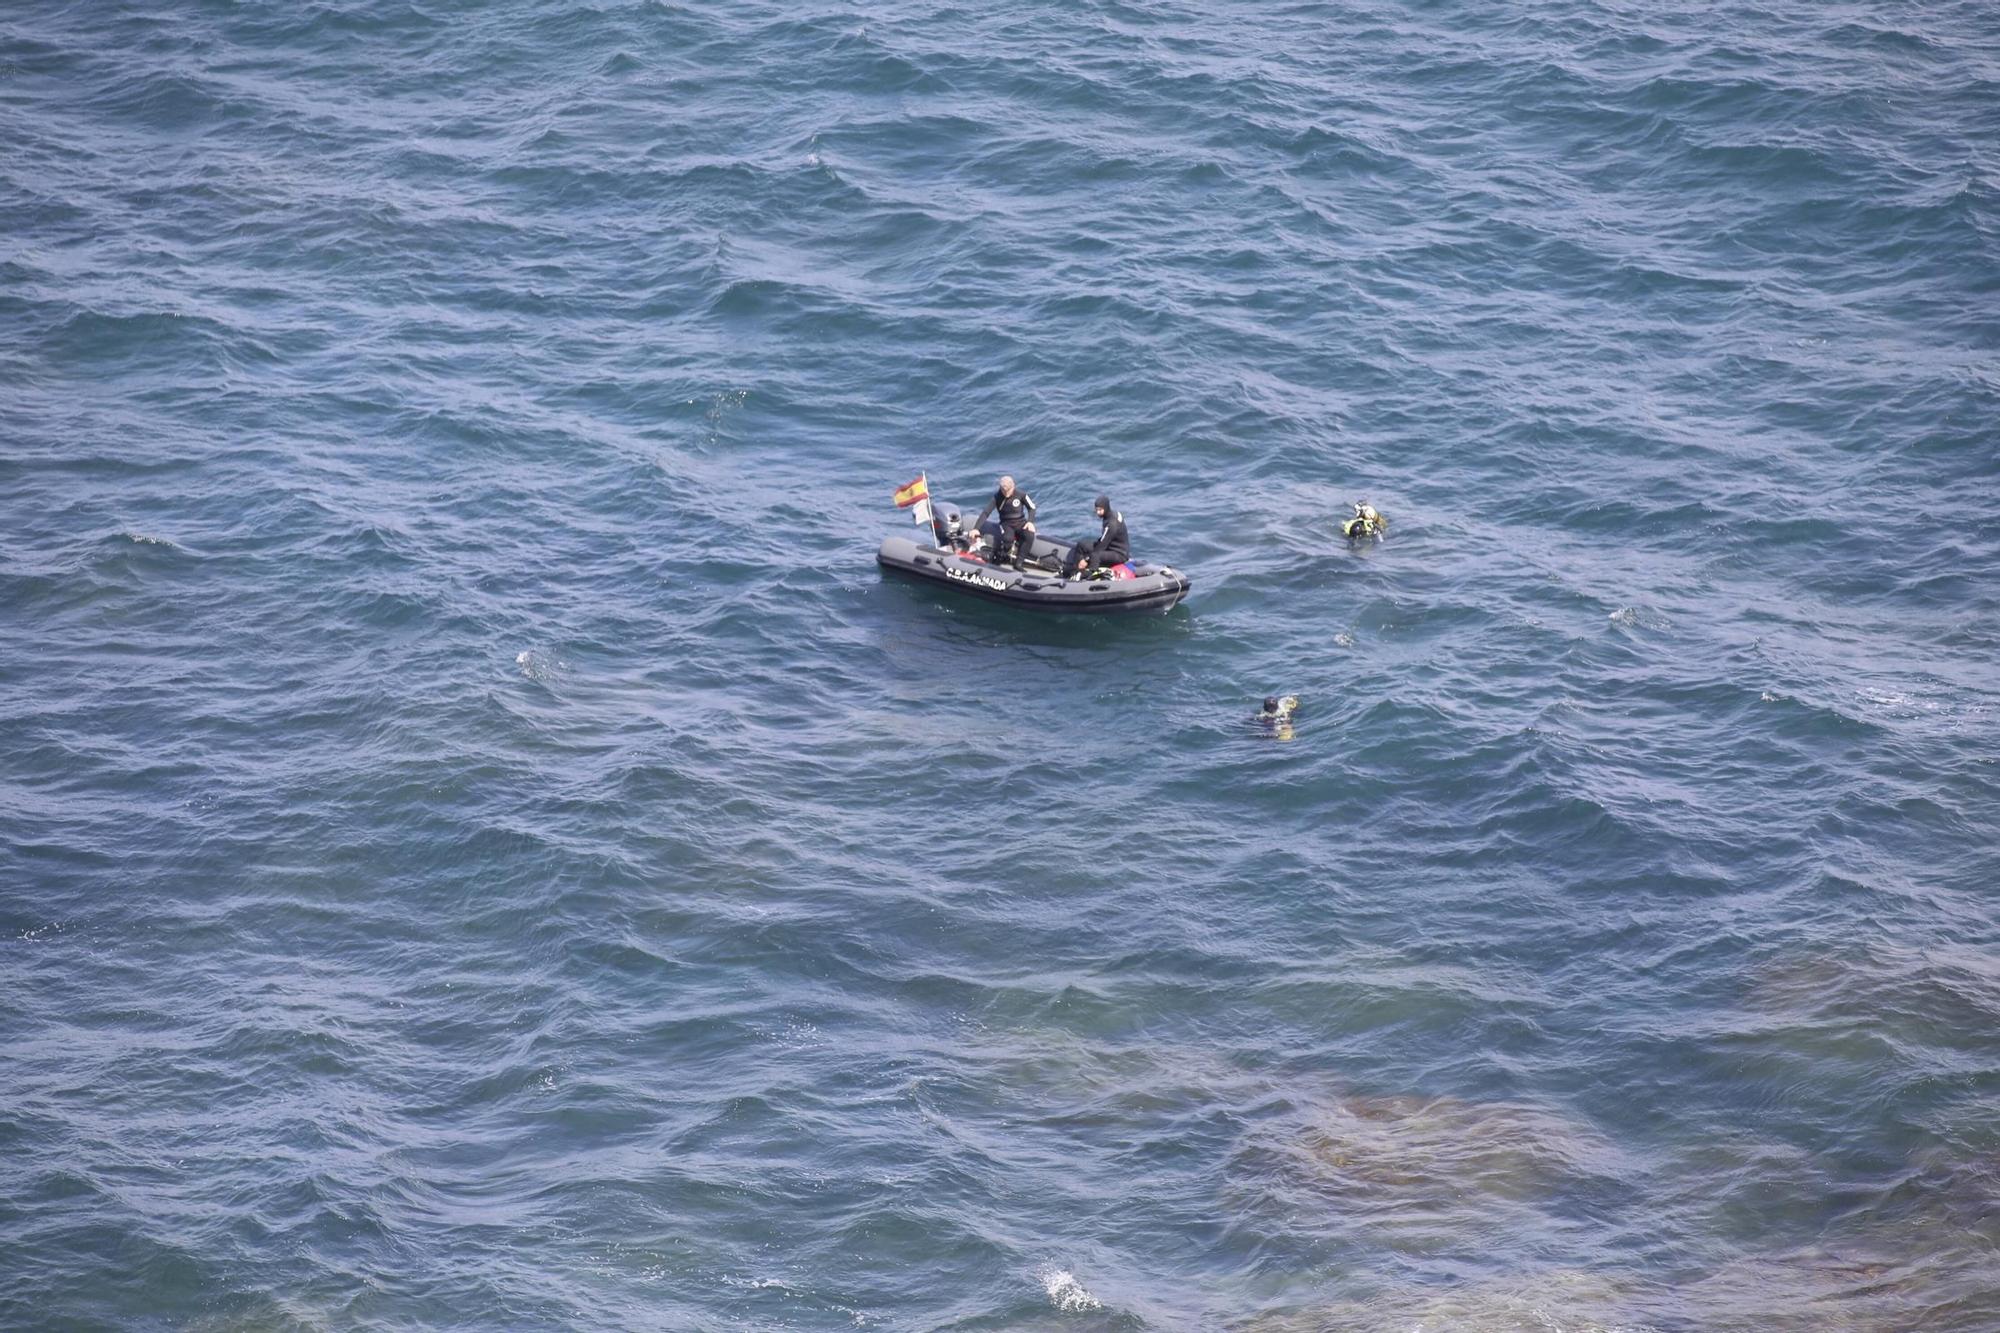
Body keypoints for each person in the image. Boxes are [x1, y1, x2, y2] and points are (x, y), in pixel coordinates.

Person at [972, 475, 1037, 570]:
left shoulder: (1021, 494)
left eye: (1008, 491)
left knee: (1029, 535)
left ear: (1013, 486)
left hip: (1020, 522)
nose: (1006, 493)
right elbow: (986, 512)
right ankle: (998, 558)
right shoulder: (997, 497)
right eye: (1003, 490)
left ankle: (1018, 563)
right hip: (1006, 524)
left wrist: (1030, 522)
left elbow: (1032, 507)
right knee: (1008, 539)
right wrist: (976, 528)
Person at [1064, 494, 1130, 579]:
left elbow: (1102, 546)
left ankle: (1088, 575)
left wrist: (1086, 559)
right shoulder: (1112, 514)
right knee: (1082, 545)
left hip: (1119, 554)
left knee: (1096, 555)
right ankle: (1076, 570)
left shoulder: (1112, 524)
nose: (1098, 512)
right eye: (1096, 510)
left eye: (1100, 510)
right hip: (1111, 546)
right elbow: (1104, 540)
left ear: (1106, 508)